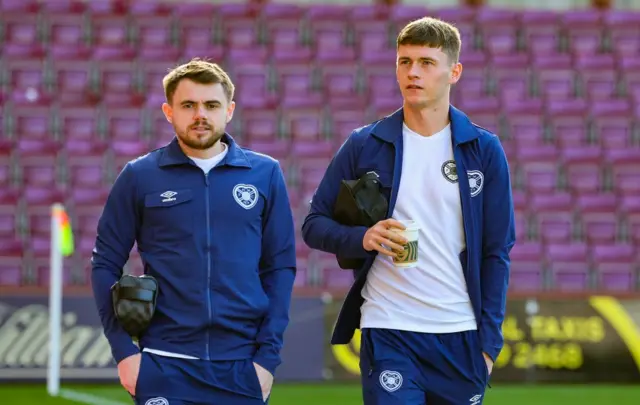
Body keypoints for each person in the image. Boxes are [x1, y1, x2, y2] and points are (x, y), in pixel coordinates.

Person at [302, 17, 515, 405]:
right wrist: (362, 237)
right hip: (389, 328)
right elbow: (314, 225)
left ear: (455, 72)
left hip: (460, 334)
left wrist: (488, 345)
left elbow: (496, 251)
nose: (413, 72)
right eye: (404, 61)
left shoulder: (484, 150)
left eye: (426, 63)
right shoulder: (364, 144)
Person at [91, 58, 297, 405]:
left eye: (211, 105)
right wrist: (125, 352)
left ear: (229, 110)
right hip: (164, 362)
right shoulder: (140, 176)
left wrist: (267, 360)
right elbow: (105, 264)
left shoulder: (265, 174)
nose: (200, 114)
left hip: (242, 366)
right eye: (188, 105)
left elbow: (280, 268)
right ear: (169, 111)